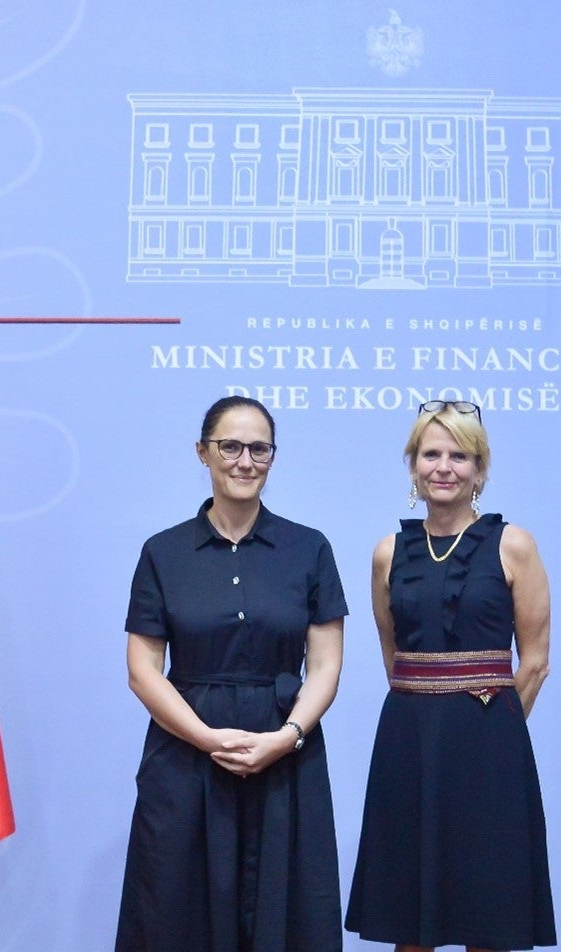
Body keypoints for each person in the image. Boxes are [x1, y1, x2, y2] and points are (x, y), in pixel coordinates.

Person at [116, 396, 348, 951]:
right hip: (184, 756)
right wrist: (204, 737)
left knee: (287, 914)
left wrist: (286, 738)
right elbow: (143, 670)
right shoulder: (163, 551)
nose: (246, 461)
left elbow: (325, 664)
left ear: (273, 456)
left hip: (285, 755)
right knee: (176, 911)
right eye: (231, 447)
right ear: (203, 452)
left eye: (259, 448)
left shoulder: (309, 548)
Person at [346, 400, 556, 952]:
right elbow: (393, 655)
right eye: (431, 453)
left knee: (489, 915)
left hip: (490, 749)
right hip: (408, 747)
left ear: (480, 470)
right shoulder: (387, 553)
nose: (444, 466)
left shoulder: (515, 545)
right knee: (410, 920)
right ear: (413, 465)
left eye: (459, 456)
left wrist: (491, 728)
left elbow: (533, 661)